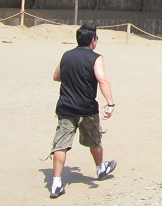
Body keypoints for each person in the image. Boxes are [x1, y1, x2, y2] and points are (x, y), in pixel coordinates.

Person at [49, 23, 117, 199]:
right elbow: (102, 79)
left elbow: (57, 76)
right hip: (87, 107)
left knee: (60, 144)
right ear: (93, 41)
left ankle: (56, 183)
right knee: (94, 140)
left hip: (66, 106)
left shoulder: (67, 55)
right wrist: (110, 104)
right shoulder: (96, 58)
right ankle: (100, 169)